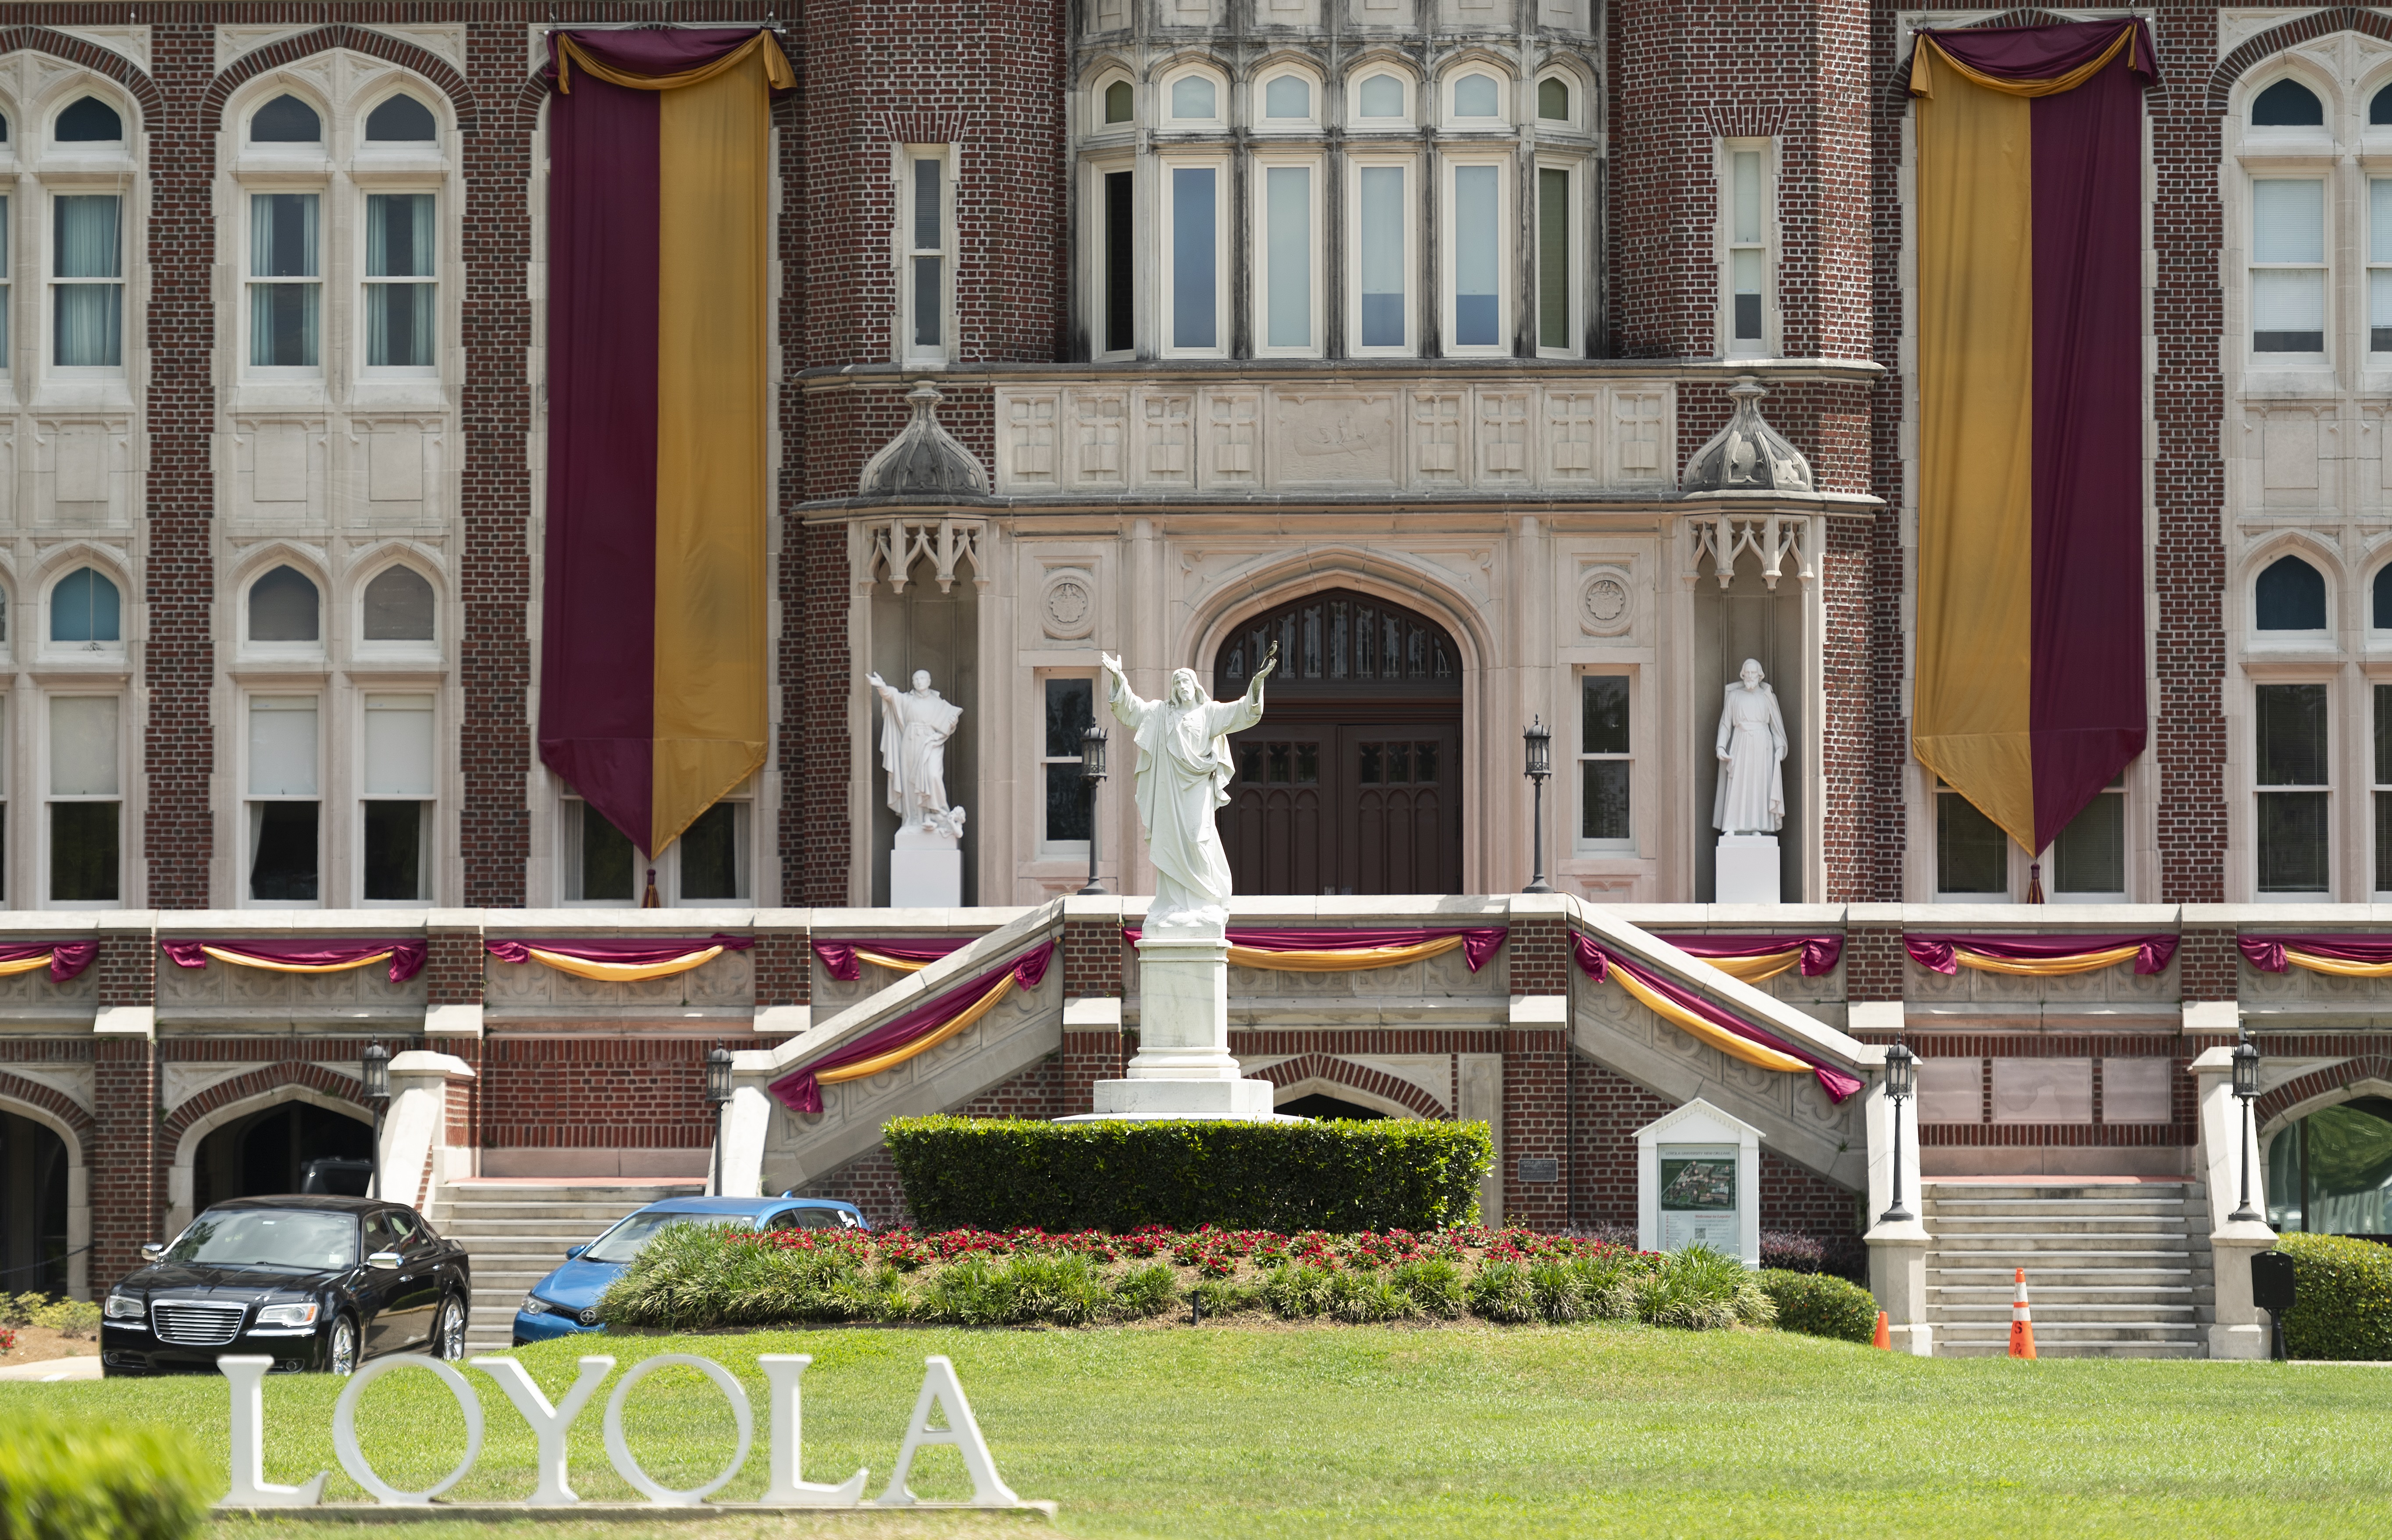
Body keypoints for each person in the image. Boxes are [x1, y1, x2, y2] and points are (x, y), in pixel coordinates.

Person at [1098, 644, 1276, 934]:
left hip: (1196, 789)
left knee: (1196, 839)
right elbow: (1132, 710)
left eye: (1186, 682)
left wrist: (1257, 682)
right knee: (1169, 843)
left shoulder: (1209, 713)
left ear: (1195, 686)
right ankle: (1173, 905)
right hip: (1169, 790)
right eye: (1177, 683)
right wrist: (1119, 678)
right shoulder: (1160, 713)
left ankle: (1206, 900)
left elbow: (1244, 712)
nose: (1182, 687)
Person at [866, 669, 965, 832]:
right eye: (916, 679)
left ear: (929, 681)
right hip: (910, 741)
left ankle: (939, 814)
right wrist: (882, 687)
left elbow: (947, 723)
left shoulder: (938, 703)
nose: (919, 682)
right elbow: (892, 696)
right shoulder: (907, 700)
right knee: (909, 781)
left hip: (930, 743)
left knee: (933, 775)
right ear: (913, 683)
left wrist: (952, 723)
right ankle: (913, 819)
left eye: (922, 679)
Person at [1712, 657, 1787, 834]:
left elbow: (1776, 728)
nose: (1751, 676)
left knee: (1759, 786)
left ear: (1760, 675)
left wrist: (1780, 748)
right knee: (1738, 784)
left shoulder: (1768, 697)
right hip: (1740, 743)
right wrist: (1721, 747)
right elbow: (1725, 724)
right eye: (1748, 673)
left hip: (1763, 746)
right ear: (1743, 675)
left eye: (1754, 673)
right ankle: (1732, 825)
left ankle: (1757, 827)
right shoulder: (1734, 696)